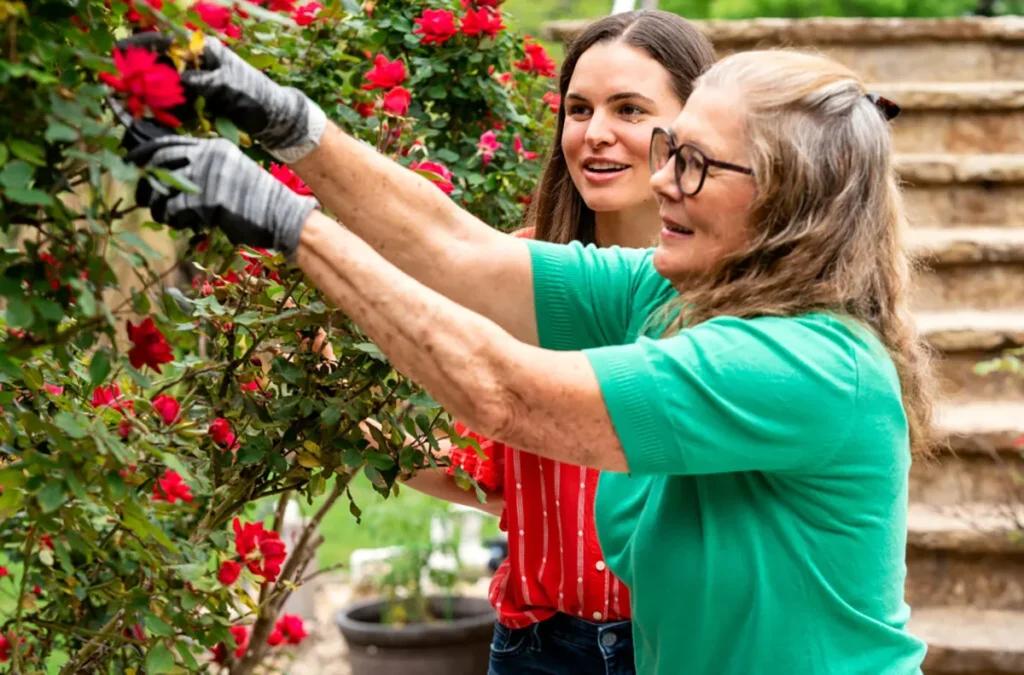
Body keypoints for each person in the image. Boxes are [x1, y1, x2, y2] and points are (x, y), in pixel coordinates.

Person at [122, 32, 937, 674]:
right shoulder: (672, 294)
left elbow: (504, 393)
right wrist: (286, 121)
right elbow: (457, 252)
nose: (662, 182)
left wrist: (286, 222)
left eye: (692, 163)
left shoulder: (809, 363)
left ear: (789, 199)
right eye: (671, 149)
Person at [389, 11, 714, 675]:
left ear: (695, 125)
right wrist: (337, 426)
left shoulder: (732, 293)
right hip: (539, 648)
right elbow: (496, 476)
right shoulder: (516, 274)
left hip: (683, 645)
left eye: (629, 109)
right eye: (578, 109)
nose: (596, 134)